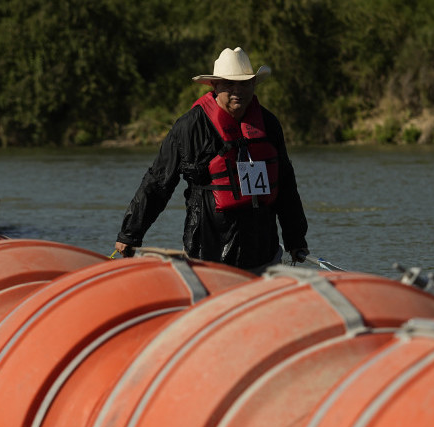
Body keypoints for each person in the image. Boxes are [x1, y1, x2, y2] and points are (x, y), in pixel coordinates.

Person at [114, 47, 309, 273]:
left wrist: (295, 239)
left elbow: (285, 184)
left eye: (244, 83)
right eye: (229, 84)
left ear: (254, 85)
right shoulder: (189, 127)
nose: (238, 91)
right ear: (215, 86)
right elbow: (158, 182)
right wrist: (130, 234)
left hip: (262, 250)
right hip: (208, 251)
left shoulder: (268, 124)